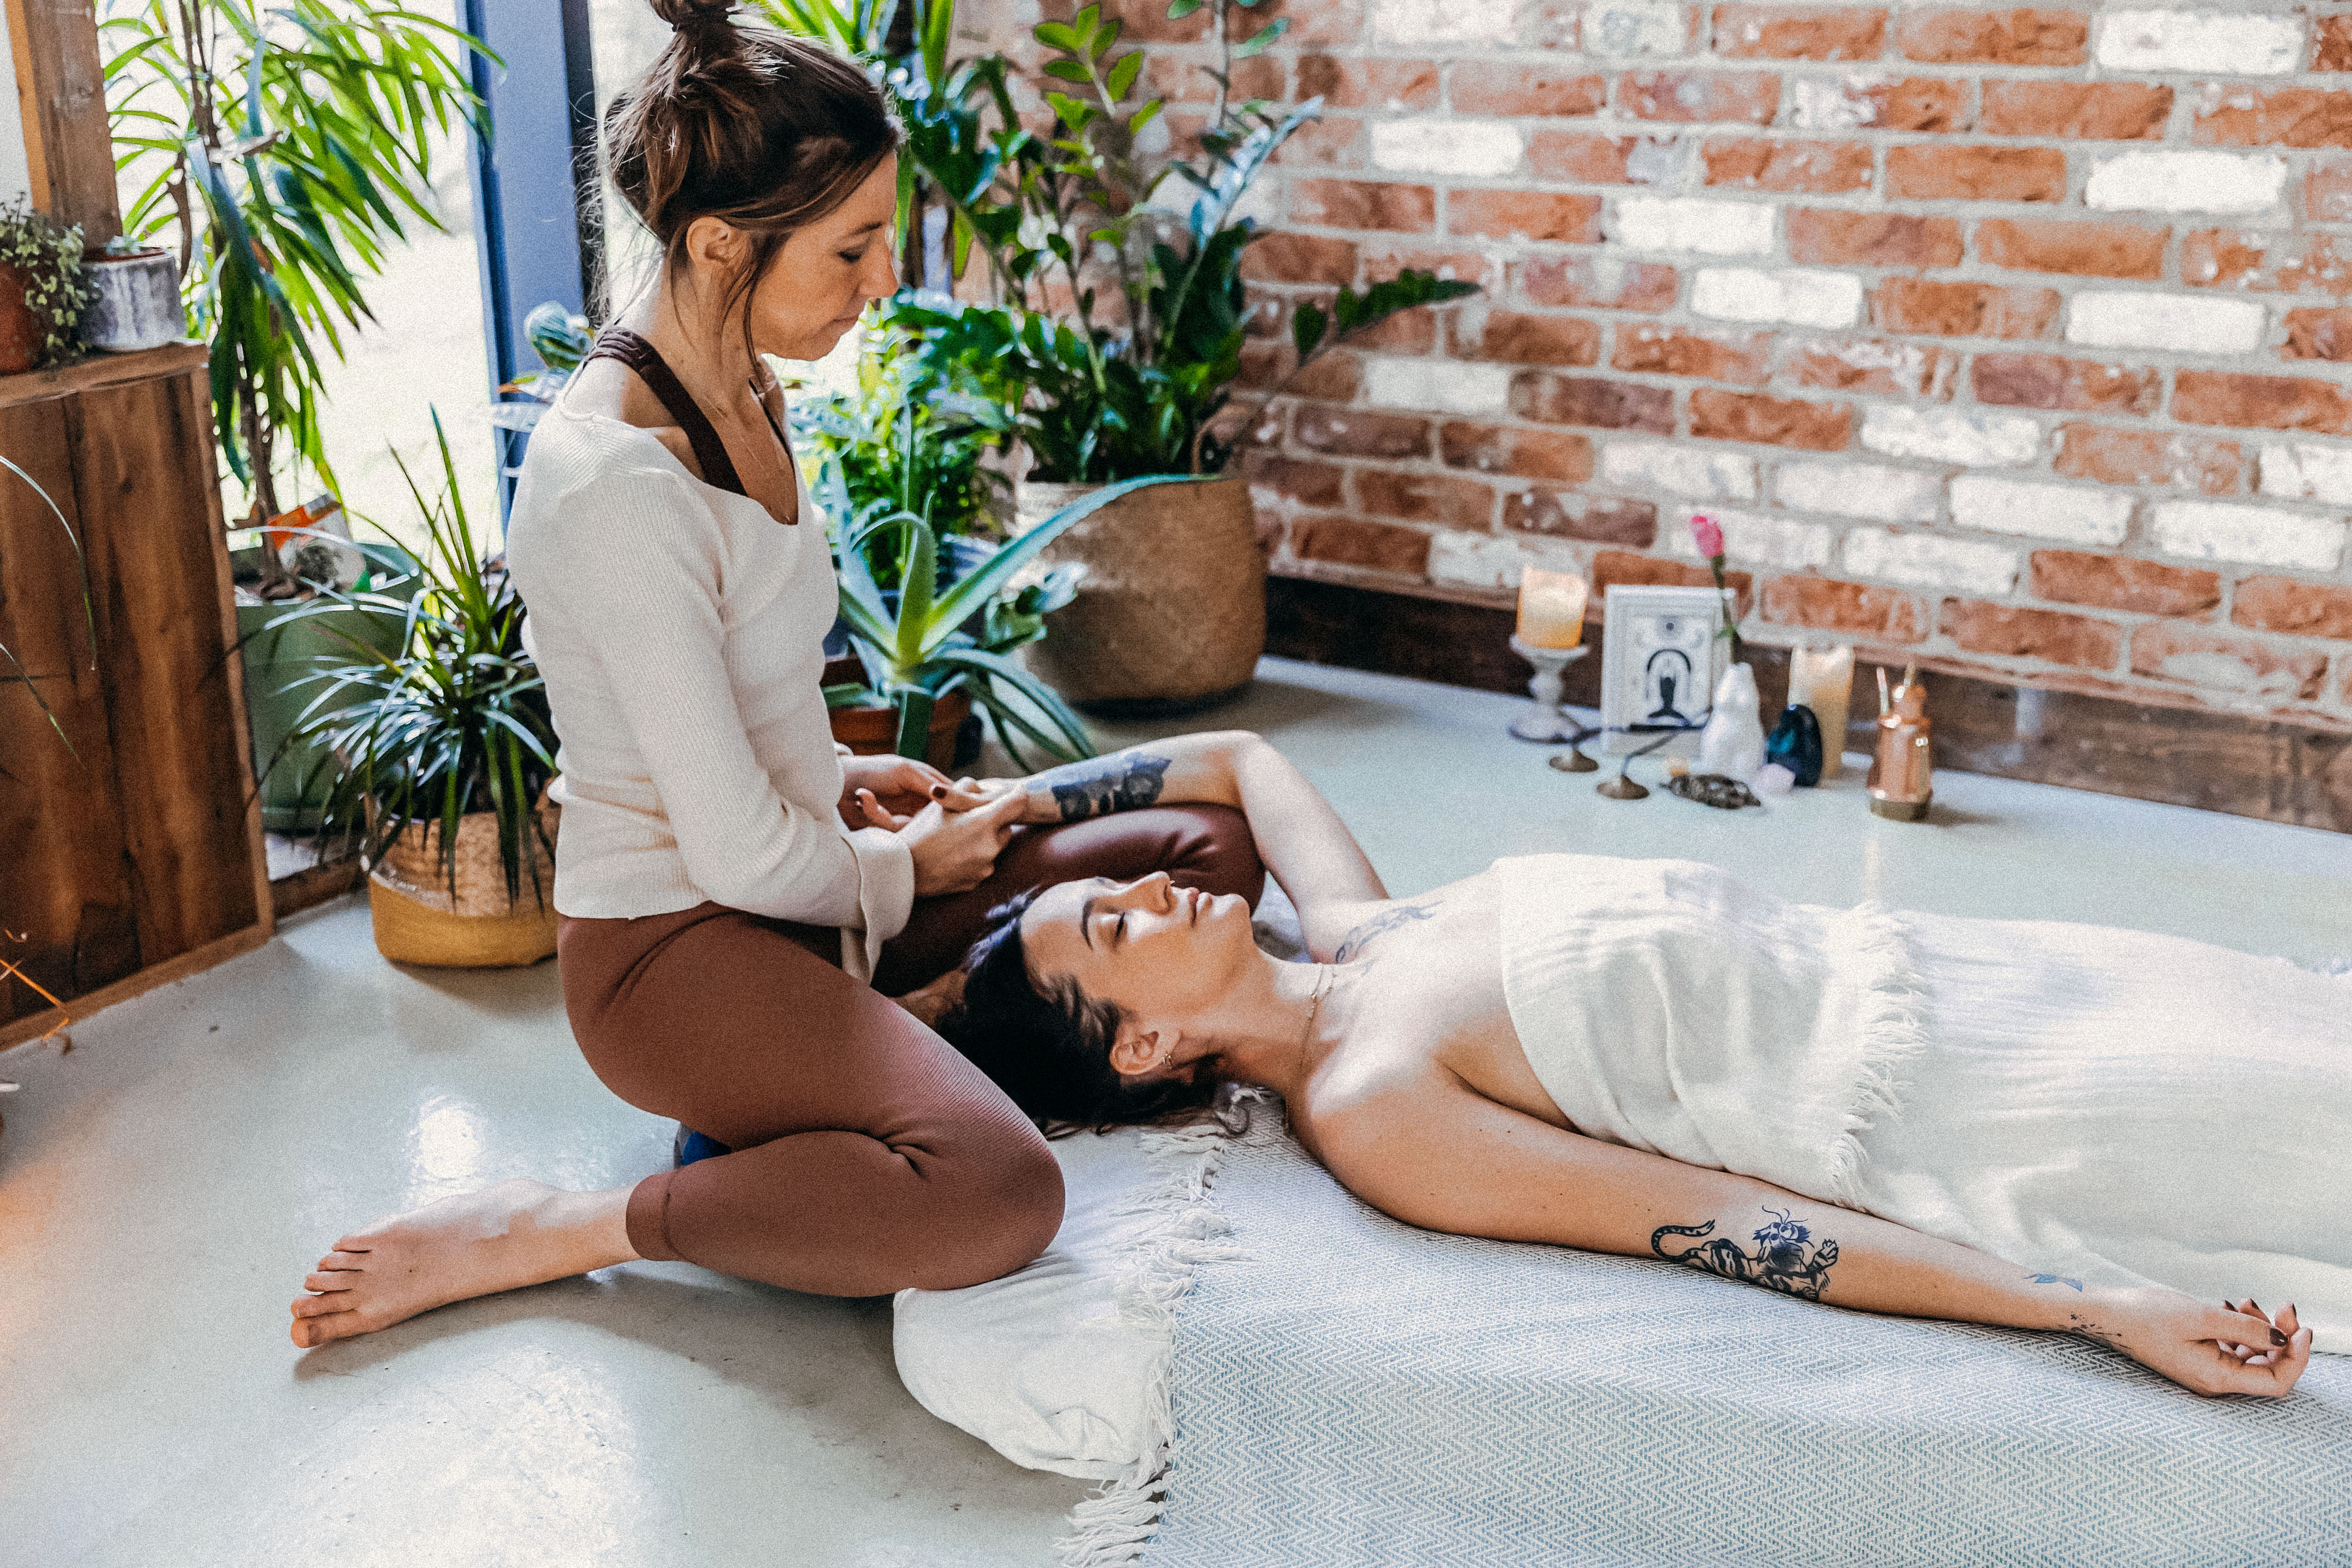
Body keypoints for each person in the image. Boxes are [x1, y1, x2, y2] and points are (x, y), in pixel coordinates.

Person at [286, 2, 1264, 1349]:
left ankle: (840, 1096)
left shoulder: (749, 388)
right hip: (679, 951)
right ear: (715, 245)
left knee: (1205, 845)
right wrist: (919, 868)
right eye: (853, 248)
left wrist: (853, 777)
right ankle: (568, 1222)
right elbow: (733, 854)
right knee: (997, 1195)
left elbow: (740, 718)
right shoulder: (613, 486)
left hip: (809, 877)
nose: (881, 281)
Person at [930, 730, 2345, 1399]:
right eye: (1114, 927)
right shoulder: (1376, 1111)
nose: (1158, 890)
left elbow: (1239, 763)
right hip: (1981, 1102)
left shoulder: (1365, 931)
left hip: (1979, 968)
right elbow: (1731, 1229)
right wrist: (2092, 1306)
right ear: (1147, 1047)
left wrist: (1017, 805)